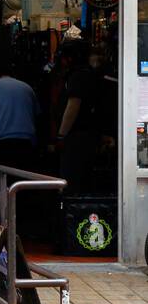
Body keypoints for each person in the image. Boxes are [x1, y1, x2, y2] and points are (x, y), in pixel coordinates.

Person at [0, 59, 40, 220]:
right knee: (22, 186)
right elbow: (38, 116)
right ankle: (22, 222)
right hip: (25, 143)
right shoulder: (27, 88)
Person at [54, 40, 99, 195]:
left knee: (71, 177)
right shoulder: (89, 74)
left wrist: (61, 134)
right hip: (88, 134)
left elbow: (73, 106)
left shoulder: (77, 76)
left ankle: (71, 209)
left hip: (77, 136)